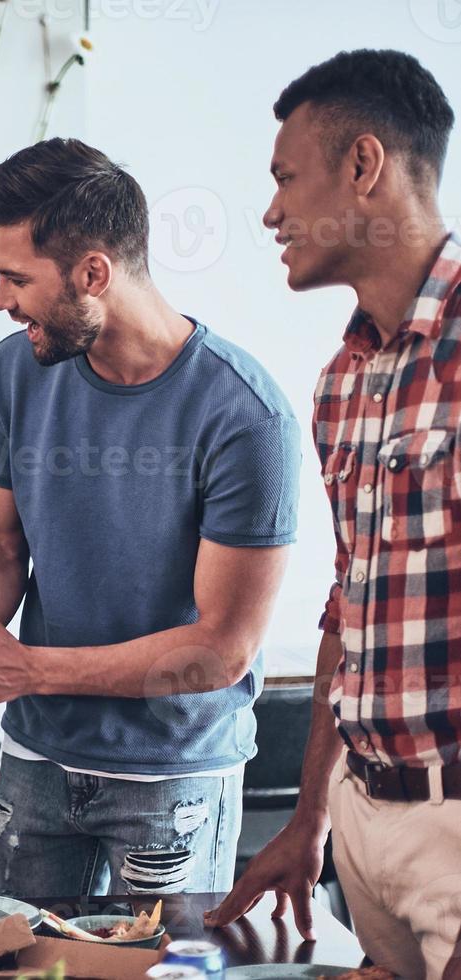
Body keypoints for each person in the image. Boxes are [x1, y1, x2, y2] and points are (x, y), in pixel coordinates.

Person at [0, 139, 301, 898]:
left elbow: (221, 651)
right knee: (14, 962)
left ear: (91, 274)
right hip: (36, 759)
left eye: (15, 278)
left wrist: (22, 670)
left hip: (172, 775)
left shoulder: (244, 415)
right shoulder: (17, 370)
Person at [207, 50, 461, 980]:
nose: (270, 212)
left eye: (284, 178)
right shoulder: (342, 380)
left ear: (362, 166)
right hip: (361, 823)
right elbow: (348, 608)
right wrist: (311, 820)